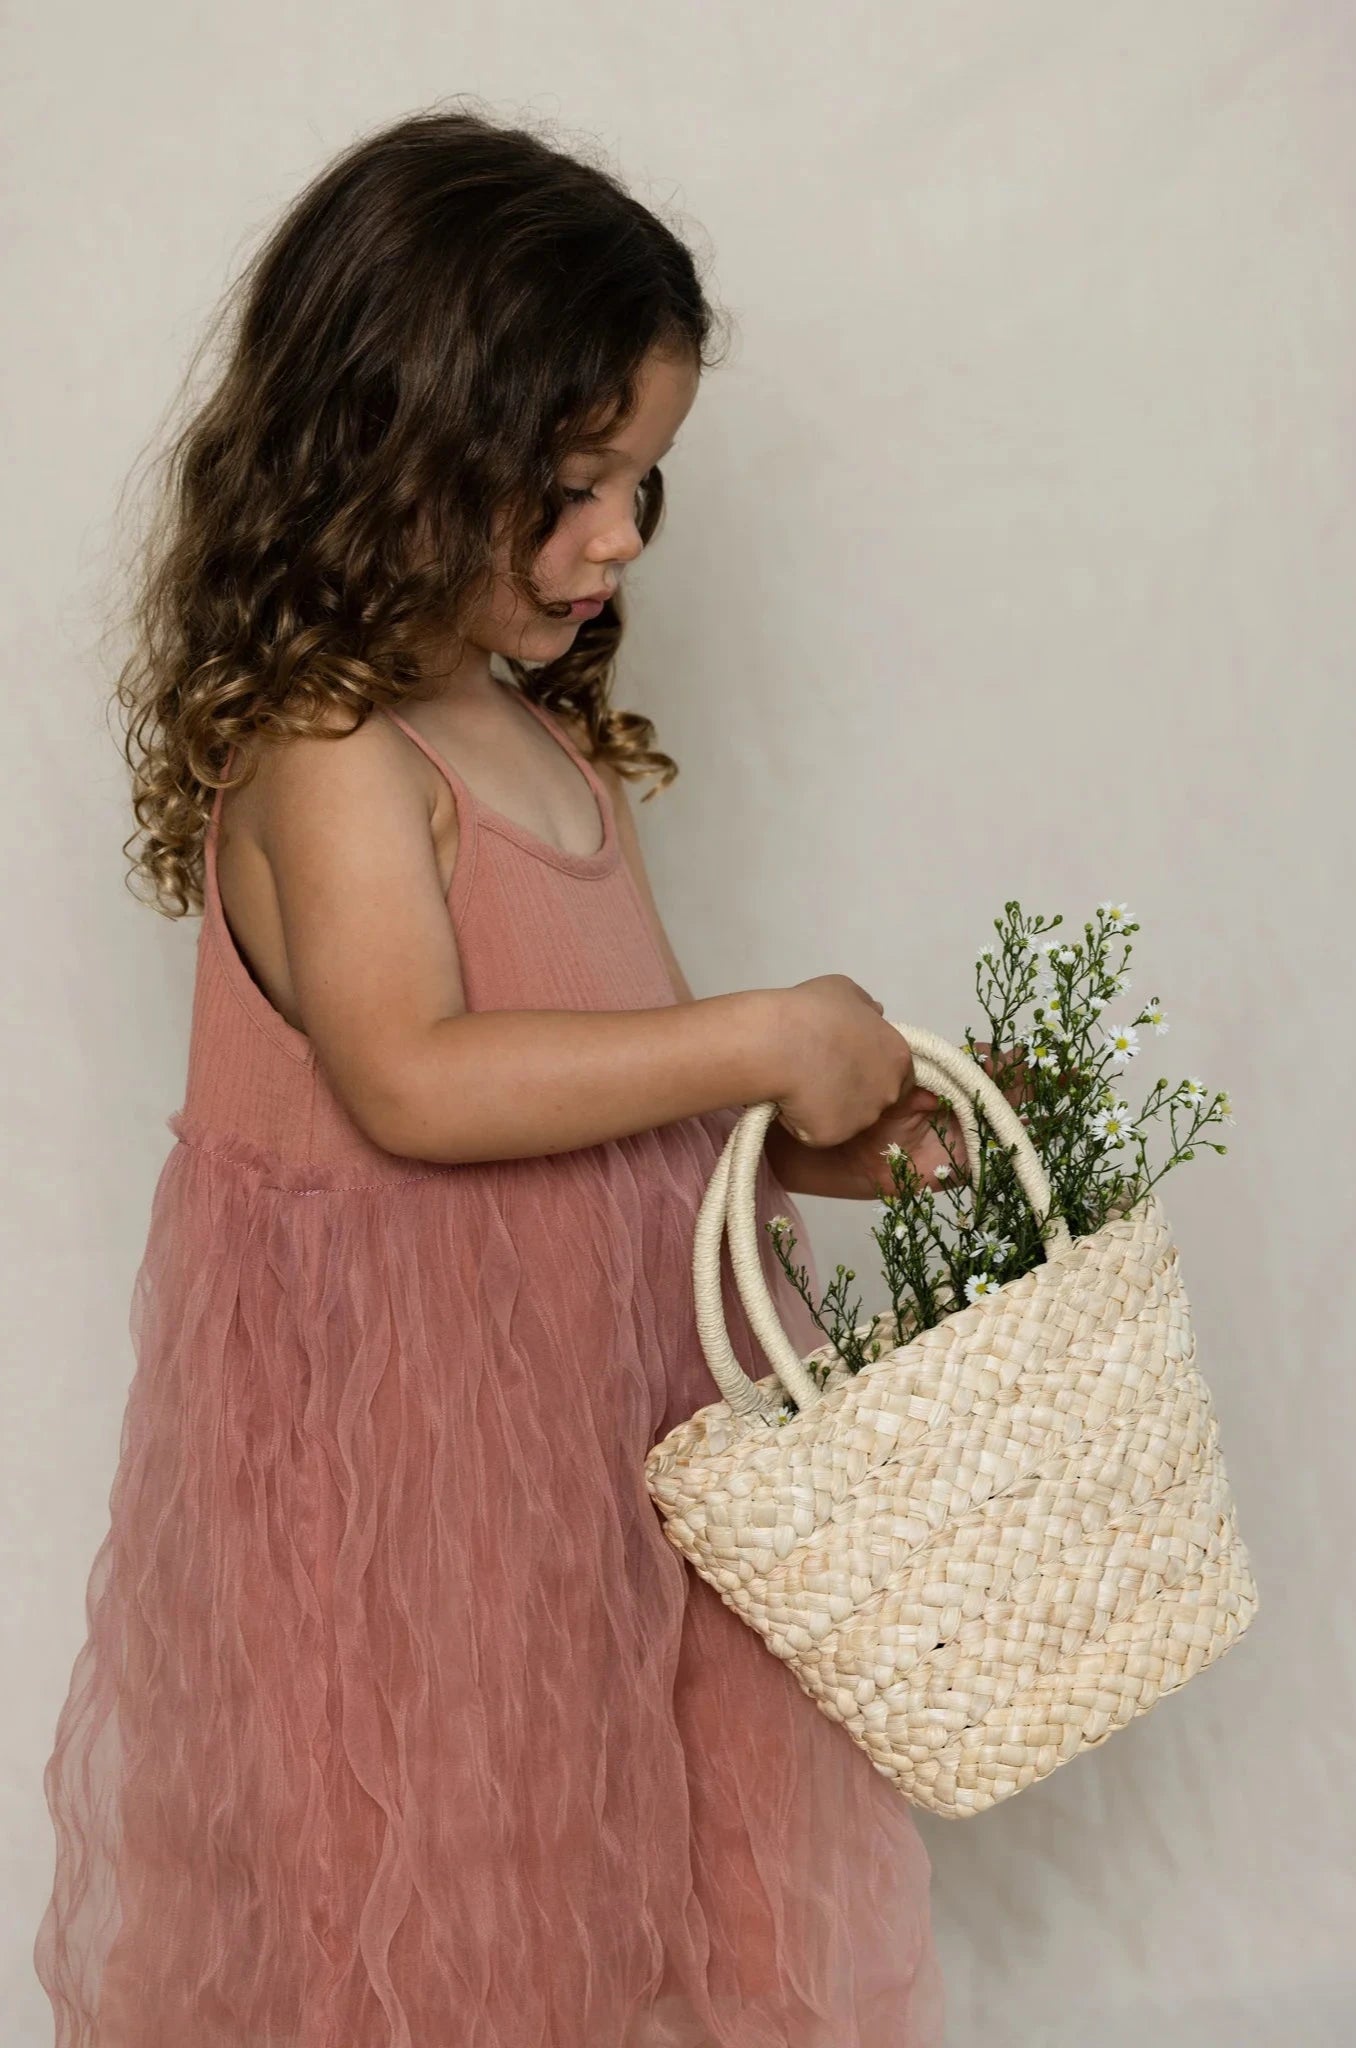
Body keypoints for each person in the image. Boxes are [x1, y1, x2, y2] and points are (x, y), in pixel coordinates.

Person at [33, 105, 953, 2048]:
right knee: (447, 1886)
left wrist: (853, 1139)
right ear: (394, 455)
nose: (617, 539)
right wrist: (767, 1022)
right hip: (420, 1472)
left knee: (632, 1867)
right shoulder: (330, 745)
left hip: (617, 1447)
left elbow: (637, 1104)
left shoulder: (538, 740)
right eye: (570, 483)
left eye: (643, 488)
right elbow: (415, 1077)